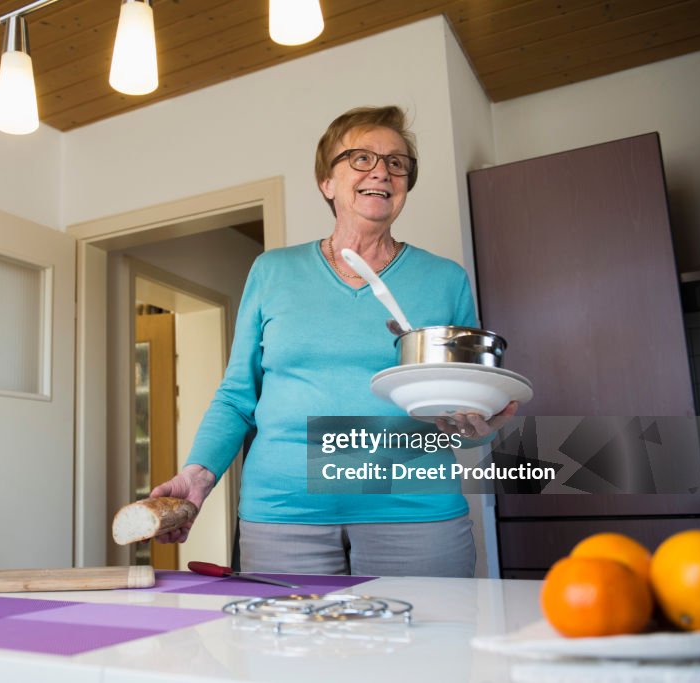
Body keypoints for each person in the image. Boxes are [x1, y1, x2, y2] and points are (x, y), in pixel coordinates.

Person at [150, 106, 517, 577]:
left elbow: (461, 397)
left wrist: (473, 421)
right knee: (289, 651)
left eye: (397, 162)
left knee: (428, 646)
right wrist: (197, 477)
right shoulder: (273, 271)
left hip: (412, 511)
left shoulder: (445, 280)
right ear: (327, 182)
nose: (382, 170)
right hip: (283, 515)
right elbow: (238, 396)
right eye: (361, 158)